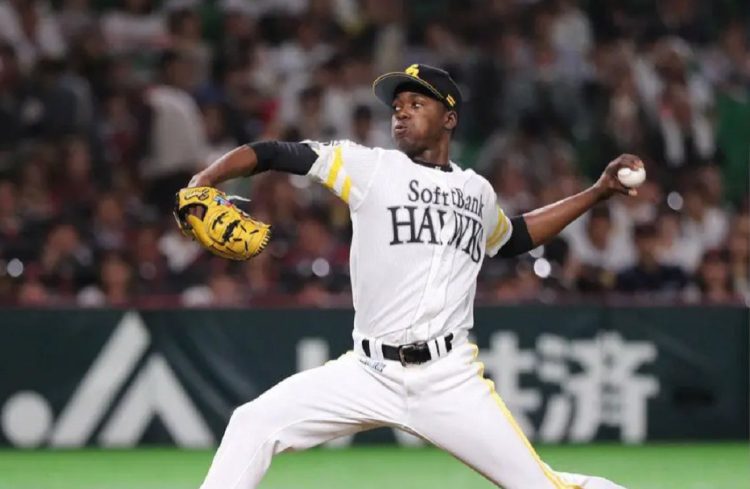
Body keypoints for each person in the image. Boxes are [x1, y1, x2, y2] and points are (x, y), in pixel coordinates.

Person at [187, 64, 637, 489]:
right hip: (367, 371)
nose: (401, 110)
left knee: (540, 484)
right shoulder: (370, 167)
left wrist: (597, 192)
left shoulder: (476, 191)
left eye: (416, 103)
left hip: (448, 378)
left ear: (449, 118)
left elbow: (515, 237)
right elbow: (277, 153)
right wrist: (205, 178)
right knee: (253, 423)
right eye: (397, 105)